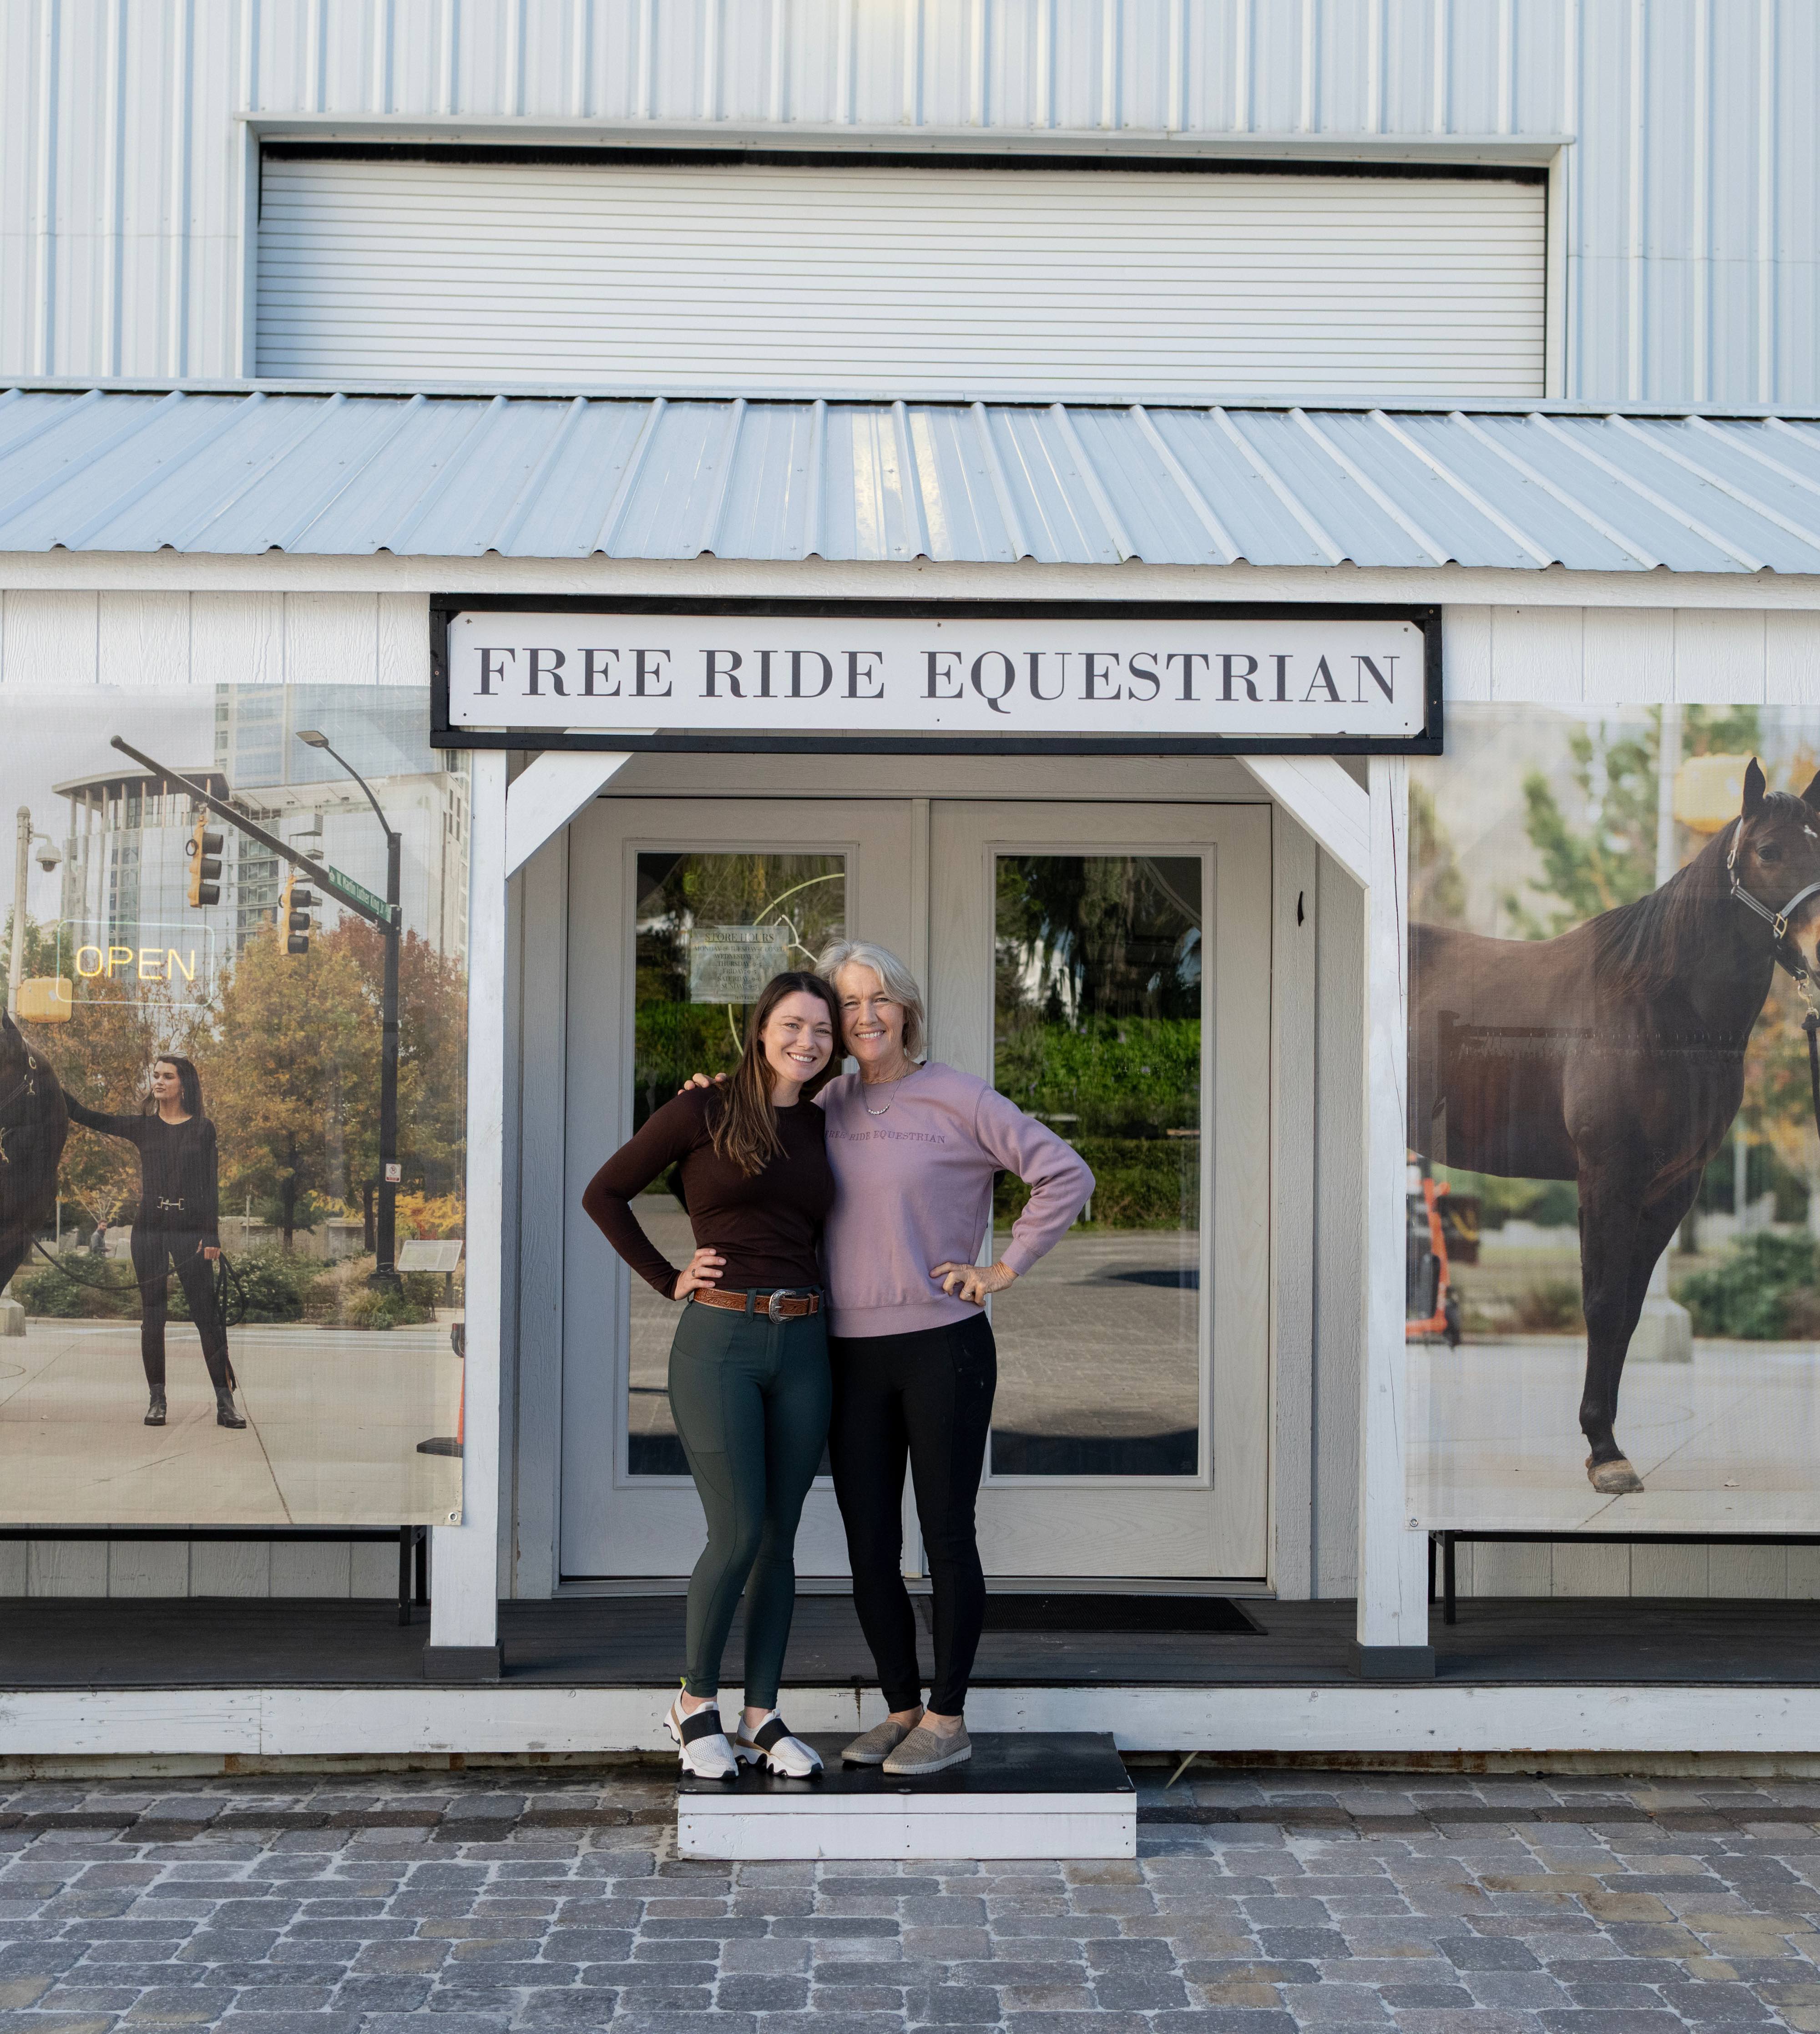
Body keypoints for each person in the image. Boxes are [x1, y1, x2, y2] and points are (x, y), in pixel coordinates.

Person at [686, 940, 1093, 1776]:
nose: (864, 1017)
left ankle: (949, 1716)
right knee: (868, 1542)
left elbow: (1063, 1172)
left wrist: (1001, 1268)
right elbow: (736, 1126)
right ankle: (901, 1707)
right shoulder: (821, 1103)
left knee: (945, 1533)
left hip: (944, 1346)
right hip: (845, 1352)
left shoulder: (957, 1096)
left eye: (880, 1000)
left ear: (905, 1009)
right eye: (848, 1006)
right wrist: (707, 1094)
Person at [582, 971, 843, 1782]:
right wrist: (668, 1278)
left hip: (804, 1345)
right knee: (735, 1533)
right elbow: (605, 1193)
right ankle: (695, 1704)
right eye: (794, 1025)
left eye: (824, 1032)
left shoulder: (830, 1122)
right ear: (762, 1027)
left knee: (778, 1540)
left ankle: (762, 1715)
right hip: (720, 1339)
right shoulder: (704, 1108)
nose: (809, 1042)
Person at [64, 1056, 242, 1431]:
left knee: (206, 1316)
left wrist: (211, 1235)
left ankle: (225, 1402)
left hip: (190, 1230)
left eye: (167, 1076)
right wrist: (48, 1084)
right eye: (156, 1076)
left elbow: (210, 1186)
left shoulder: (202, 1129)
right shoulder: (142, 1128)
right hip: (149, 1229)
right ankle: (157, 1399)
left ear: (184, 1084)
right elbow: (88, 1115)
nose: (159, 1082)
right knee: (153, 1317)